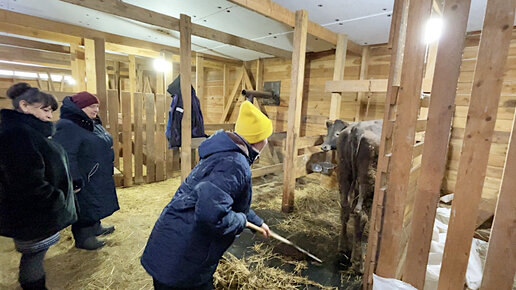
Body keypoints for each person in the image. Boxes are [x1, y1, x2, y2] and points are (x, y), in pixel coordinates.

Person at [141, 100, 273, 289]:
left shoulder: (223, 152)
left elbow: (223, 200)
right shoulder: (235, 163)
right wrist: (242, 221)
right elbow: (212, 216)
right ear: (260, 140)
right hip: (184, 257)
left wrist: (256, 222)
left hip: (173, 243)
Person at [0, 83, 77, 290]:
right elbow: (26, 182)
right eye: (45, 110)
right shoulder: (18, 135)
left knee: (35, 255)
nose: (50, 115)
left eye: (52, 110)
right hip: (32, 213)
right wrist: (55, 199)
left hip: (36, 211)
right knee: (33, 257)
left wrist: (68, 184)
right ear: (24, 106)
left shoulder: (28, 132)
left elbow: (46, 166)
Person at [53, 91, 119, 250]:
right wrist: (74, 179)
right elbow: (66, 154)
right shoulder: (68, 126)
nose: (95, 109)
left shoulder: (90, 123)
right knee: (84, 204)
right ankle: (83, 237)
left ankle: (95, 227)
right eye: (91, 106)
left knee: (95, 201)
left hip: (96, 173)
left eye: (97, 106)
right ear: (79, 106)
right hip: (84, 174)